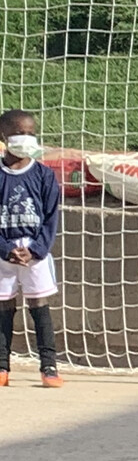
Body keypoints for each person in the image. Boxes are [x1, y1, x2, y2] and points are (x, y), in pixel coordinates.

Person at [0, 110, 62, 387]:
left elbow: (51, 217)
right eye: (20, 133)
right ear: (4, 136)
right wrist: (4, 248)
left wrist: (36, 249)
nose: (27, 138)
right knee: (3, 306)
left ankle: (49, 367)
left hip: (34, 253)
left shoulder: (44, 176)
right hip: (3, 252)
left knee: (39, 305)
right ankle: (2, 367)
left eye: (30, 133)